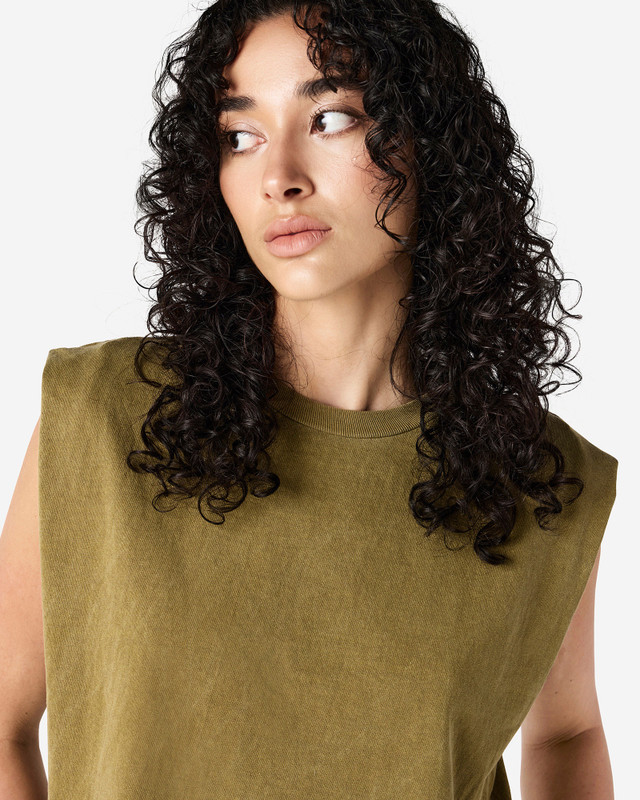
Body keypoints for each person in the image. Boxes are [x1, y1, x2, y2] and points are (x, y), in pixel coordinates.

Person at [0, 1, 618, 798]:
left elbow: (567, 731)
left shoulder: (537, 475)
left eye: (330, 118)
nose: (279, 178)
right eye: (240, 136)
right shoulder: (103, 414)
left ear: (430, 141)